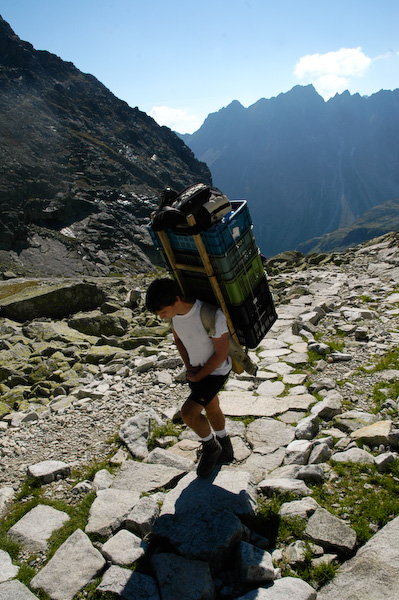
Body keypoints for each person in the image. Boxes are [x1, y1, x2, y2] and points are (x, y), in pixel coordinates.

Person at [145, 277, 234, 477]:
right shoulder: (175, 317)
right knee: (211, 406)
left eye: (162, 312)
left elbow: (221, 354)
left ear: (176, 300)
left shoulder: (211, 315)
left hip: (216, 371)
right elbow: (178, 340)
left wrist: (197, 375)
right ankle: (225, 446)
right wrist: (189, 368)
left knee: (188, 413)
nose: (161, 317)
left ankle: (212, 447)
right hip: (197, 371)